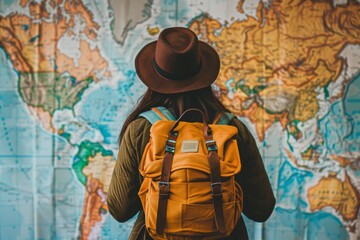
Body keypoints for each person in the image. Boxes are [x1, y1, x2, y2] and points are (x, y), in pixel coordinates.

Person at [107, 27, 275, 240]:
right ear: (204, 74)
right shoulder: (232, 129)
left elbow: (120, 209)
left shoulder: (140, 130)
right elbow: (262, 208)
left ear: (155, 77)